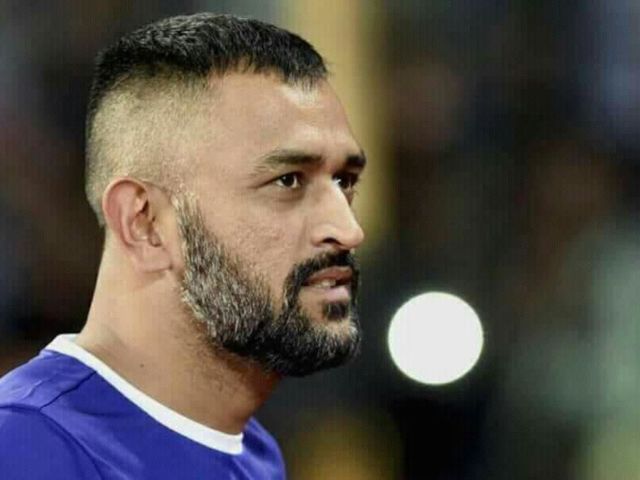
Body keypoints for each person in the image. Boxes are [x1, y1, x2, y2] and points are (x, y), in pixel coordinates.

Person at [0, 13, 366, 479]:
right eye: (288, 180)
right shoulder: (24, 450)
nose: (348, 229)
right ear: (145, 222)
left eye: (344, 181)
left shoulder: (254, 453)